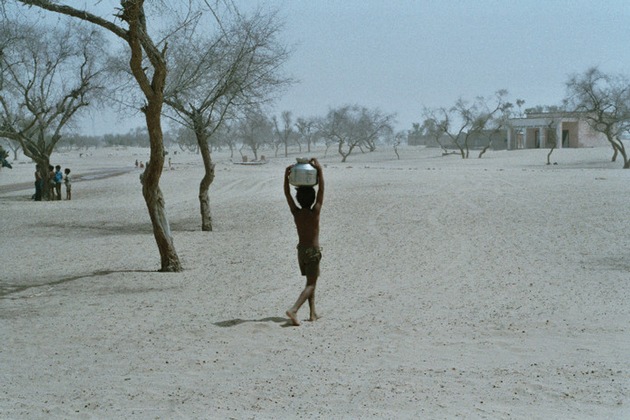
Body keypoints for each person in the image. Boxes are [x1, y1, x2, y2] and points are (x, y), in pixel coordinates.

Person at [284, 158, 324, 326]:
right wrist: (320, 171)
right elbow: (322, 190)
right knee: (311, 284)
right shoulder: (315, 212)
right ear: (313, 197)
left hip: (301, 251)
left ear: (298, 198)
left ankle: (313, 313)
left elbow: (287, 194)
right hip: (313, 252)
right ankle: (294, 309)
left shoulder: (296, 213)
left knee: (310, 281)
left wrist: (285, 178)